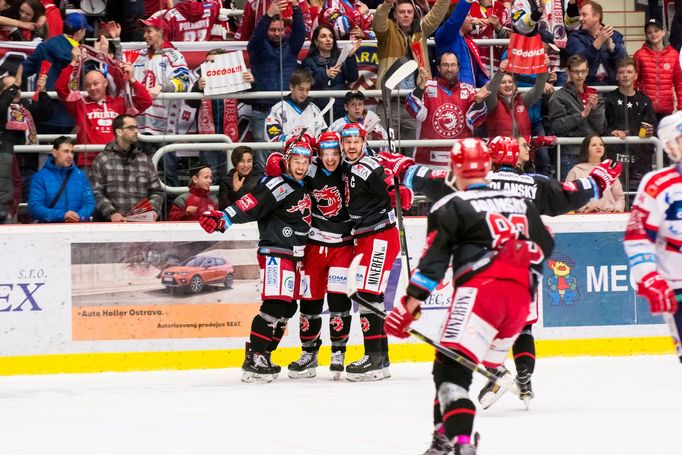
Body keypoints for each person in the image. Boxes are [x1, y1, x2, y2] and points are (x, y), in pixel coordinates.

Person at [383, 138, 555, 455]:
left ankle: (458, 443)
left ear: (454, 171)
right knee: (453, 360)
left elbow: (431, 268)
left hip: (480, 293)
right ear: (488, 167)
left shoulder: (453, 205)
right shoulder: (520, 201)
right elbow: (545, 245)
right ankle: (445, 437)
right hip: (519, 302)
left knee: (451, 372)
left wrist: (407, 309)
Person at [198, 143, 314, 383]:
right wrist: (225, 218)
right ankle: (255, 357)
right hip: (277, 251)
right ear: (287, 161)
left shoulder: (304, 183)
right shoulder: (278, 185)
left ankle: (266, 355)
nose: (301, 166)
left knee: (287, 308)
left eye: (305, 161)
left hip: (296, 254)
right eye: (297, 161)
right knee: (274, 304)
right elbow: (250, 203)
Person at [264, 131, 355, 379]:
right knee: (310, 301)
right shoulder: (311, 168)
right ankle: (309, 354)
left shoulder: (349, 168)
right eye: (325, 153)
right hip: (313, 246)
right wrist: (275, 160)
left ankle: (338, 352)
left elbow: (373, 166)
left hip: (343, 245)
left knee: (338, 300)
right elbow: (288, 163)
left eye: (334, 153)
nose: (330, 158)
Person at [339, 122, 407, 381]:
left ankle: (374, 358)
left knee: (368, 295)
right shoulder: (348, 166)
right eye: (348, 142)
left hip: (380, 236)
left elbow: (386, 181)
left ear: (364, 142)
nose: (352, 145)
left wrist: (397, 190)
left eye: (356, 141)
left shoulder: (367, 166)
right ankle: (381, 357)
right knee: (372, 296)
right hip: (366, 236)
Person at [624, 111, 682, 363]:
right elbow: (638, 236)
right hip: (677, 285)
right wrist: (648, 276)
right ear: (671, 145)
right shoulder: (657, 185)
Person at [55, 46, 153, 171]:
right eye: (88, 85)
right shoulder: (80, 104)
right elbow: (60, 88)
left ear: (105, 83)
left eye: (96, 83)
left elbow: (146, 101)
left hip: (117, 161)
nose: (92, 88)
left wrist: (132, 79)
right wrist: (73, 62)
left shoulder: (120, 103)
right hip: (89, 163)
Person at [373, 0, 451, 140]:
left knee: (413, 152)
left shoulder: (421, 29)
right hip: (390, 102)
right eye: (402, 12)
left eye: (409, 12)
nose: (406, 15)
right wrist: (386, 5)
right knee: (384, 148)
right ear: (395, 15)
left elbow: (437, 14)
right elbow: (378, 21)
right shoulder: (387, 29)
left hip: (415, 102)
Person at [132, 15, 191, 188]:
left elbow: (184, 80)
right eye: (144, 32)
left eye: (149, 31)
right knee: (139, 174)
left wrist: (161, 87)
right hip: (140, 123)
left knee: (168, 173)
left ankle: (172, 211)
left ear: (160, 32)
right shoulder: (140, 56)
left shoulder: (173, 55)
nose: (145, 36)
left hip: (164, 125)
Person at [405, 51, 488, 168]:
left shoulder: (469, 90)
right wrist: (420, 87)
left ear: (458, 68)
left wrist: (479, 102)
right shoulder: (428, 87)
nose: (449, 69)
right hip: (427, 162)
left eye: (453, 65)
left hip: (460, 162)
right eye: (445, 65)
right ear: (438, 68)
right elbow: (414, 110)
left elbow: (476, 121)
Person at [247, 0, 306, 161]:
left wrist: (295, 7)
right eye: (273, 30)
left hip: (286, 109)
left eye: (280, 30)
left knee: (288, 146)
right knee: (261, 148)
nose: (277, 33)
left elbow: (301, 32)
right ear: (267, 29)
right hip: (262, 109)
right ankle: (264, 183)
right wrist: (268, 15)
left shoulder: (291, 46)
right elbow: (256, 36)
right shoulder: (257, 48)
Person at [187, 49, 255, 183]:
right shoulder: (201, 82)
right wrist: (197, 89)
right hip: (207, 140)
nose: (209, 65)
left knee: (227, 177)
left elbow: (251, 100)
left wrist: (252, 83)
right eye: (207, 62)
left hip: (229, 139)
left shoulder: (234, 80)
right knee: (208, 178)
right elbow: (191, 103)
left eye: (214, 62)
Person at [21, 12, 93, 135]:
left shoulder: (44, 46)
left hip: (44, 111)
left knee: (41, 151)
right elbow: (89, 79)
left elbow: (23, 70)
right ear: (80, 32)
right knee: (66, 152)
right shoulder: (82, 55)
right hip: (70, 114)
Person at [92, 114, 164, 222]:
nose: (136, 131)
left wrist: (153, 210)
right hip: (112, 224)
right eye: (131, 128)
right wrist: (111, 213)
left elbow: (157, 191)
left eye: (136, 127)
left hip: (142, 223)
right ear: (118, 132)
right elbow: (96, 192)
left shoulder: (145, 160)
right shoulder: (102, 160)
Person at [548, 54, 606, 176]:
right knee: (569, 193)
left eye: (583, 71)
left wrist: (594, 110)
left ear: (587, 71)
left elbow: (601, 128)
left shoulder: (595, 95)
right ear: (568, 72)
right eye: (576, 72)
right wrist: (582, 114)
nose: (580, 75)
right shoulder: (558, 97)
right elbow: (557, 127)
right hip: (570, 153)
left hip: (593, 155)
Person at [603, 57, 656, 189]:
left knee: (638, 199)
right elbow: (601, 127)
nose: (625, 75)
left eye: (629, 72)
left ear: (636, 75)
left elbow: (651, 128)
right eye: (621, 72)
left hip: (640, 161)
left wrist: (650, 132)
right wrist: (611, 132)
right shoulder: (608, 100)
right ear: (616, 76)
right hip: (615, 159)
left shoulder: (645, 101)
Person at [28, 136, 95, 223]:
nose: (70, 155)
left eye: (72, 152)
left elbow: (89, 203)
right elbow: (35, 207)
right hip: (51, 230)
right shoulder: (39, 178)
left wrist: (78, 216)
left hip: (77, 228)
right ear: (55, 153)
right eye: (66, 151)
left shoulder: (81, 176)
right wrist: (62, 215)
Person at [300, 24, 361, 119]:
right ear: (316, 41)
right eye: (323, 36)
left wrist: (350, 57)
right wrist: (325, 75)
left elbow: (352, 77)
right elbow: (307, 83)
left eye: (331, 36)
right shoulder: (308, 61)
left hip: (340, 110)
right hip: (318, 111)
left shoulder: (341, 57)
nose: (328, 39)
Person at [565, 1, 626, 85]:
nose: (580, 19)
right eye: (580, 15)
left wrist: (611, 47)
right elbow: (577, 62)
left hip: (612, 86)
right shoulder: (575, 37)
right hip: (586, 86)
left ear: (596, 16)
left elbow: (623, 62)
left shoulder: (614, 35)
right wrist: (599, 41)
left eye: (584, 15)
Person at [633, 18, 682, 123]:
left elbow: (679, 84)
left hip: (666, 110)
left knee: (664, 139)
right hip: (645, 109)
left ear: (663, 32)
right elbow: (634, 81)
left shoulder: (674, 55)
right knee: (646, 139)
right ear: (646, 35)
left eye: (656, 30)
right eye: (649, 32)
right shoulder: (640, 54)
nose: (653, 34)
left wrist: (681, 108)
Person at [484, 59, 549, 138]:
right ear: (497, 86)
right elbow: (491, 92)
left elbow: (538, 89)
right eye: (503, 82)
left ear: (515, 85)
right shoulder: (493, 102)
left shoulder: (522, 100)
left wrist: (543, 68)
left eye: (510, 82)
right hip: (501, 149)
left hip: (522, 148)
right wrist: (500, 72)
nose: (507, 85)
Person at [434, 0, 490, 88]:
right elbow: (454, 22)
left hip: (469, 96)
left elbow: (477, 75)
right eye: (468, 15)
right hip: (451, 94)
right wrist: (467, 1)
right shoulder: (445, 35)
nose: (472, 19)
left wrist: (490, 85)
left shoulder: (470, 43)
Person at [565, 135, 625, 213]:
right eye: (594, 145)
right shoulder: (575, 171)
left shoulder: (609, 171)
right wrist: (585, 209)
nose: (598, 147)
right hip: (584, 219)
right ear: (586, 149)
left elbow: (619, 198)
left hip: (610, 217)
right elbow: (569, 198)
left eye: (601, 145)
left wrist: (617, 209)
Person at [265, 69, 328, 144]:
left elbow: (323, 135)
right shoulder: (278, 109)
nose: (304, 94)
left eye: (307, 90)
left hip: (309, 154)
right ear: (291, 87)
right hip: (287, 154)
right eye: (301, 89)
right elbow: (273, 138)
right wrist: (292, 139)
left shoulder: (314, 109)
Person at [236, 0, 312, 41]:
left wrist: (294, 21)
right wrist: (268, 16)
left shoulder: (299, 2)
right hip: (262, 52)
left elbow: (308, 33)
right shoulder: (253, 3)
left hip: (291, 51)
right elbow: (243, 36)